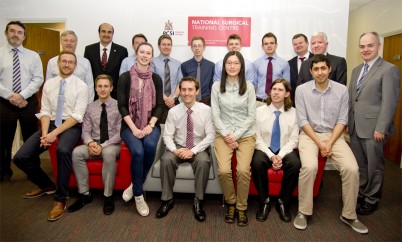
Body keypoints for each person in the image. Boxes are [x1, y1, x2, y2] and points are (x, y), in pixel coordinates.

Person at [294, 54, 368, 234]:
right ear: (311, 71)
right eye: (316, 69)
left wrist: (330, 142)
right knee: (310, 167)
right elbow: (302, 120)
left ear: (329, 70)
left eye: (323, 68)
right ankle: (303, 211)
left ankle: (349, 215)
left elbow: (343, 120)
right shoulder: (301, 90)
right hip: (309, 135)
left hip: (335, 135)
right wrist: (320, 144)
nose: (320, 73)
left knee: (352, 169)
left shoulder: (341, 90)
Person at [13, 51, 88, 221]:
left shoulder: (81, 86)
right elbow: (45, 111)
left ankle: (60, 198)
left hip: (71, 125)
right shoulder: (49, 84)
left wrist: (54, 134)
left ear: (75, 66)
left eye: (70, 62)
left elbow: (77, 116)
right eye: (64, 61)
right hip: (51, 124)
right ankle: (46, 185)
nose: (67, 64)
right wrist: (46, 133)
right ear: (58, 63)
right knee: (21, 157)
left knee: (62, 150)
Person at [348, 32, 400, 215]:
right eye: (362, 46)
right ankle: (361, 193)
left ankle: (372, 199)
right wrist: (348, 122)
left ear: (378, 46)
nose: (365, 49)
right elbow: (352, 99)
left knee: (374, 166)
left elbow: (390, 101)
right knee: (360, 164)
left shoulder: (388, 69)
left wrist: (381, 127)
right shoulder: (356, 70)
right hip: (355, 127)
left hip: (374, 129)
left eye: (370, 45)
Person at [156, 76, 215, 221]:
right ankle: (167, 200)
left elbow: (210, 136)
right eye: (183, 90)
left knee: (203, 162)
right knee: (166, 160)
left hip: (198, 147)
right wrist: (175, 150)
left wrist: (193, 151)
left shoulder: (206, 110)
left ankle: (198, 202)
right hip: (178, 146)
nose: (187, 93)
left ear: (197, 91)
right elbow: (168, 136)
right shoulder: (173, 111)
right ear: (180, 92)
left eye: (190, 90)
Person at [117, 42, 164, 217]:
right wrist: (135, 129)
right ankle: (138, 195)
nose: (145, 55)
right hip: (129, 124)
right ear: (136, 54)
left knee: (150, 147)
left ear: (152, 56)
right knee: (137, 152)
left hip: (151, 123)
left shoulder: (156, 79)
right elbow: (121, 105)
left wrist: (150, 125)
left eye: (148, 53)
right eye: (142, 52)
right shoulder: (125, 77)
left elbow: (159, 106)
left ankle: (133, 185)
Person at [211, 51, 256, 226]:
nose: (232, 66)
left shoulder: (249, 86)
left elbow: (251, 116)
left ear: (241, 66)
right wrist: (228, 137)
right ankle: (231, 203)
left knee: (243, 170)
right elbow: (215, 115)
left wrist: (235, 136)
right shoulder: (216, 86)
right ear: (224, 66)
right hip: (223, 134)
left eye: (236, 63)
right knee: (223, 171)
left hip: (245, 135)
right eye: (229, 63)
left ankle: (242, 207)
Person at [67, 74, 122, 215]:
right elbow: (85, 130)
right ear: (96, 88)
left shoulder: (119, 106)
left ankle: (108, 197)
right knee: (76, 152)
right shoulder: (90, 108)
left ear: (111, 88)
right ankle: (84, 194)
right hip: (94, 143)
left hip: (112, 145)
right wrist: (90, 142)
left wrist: (102, 146)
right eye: (99, 86)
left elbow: (120, 133)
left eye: (106, 86)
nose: (102, 89)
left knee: (109, 154)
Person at [251, 78, 300, 223]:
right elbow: (257, 138)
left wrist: (280, 155)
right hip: (265, 148)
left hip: (285, 148)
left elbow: (294, 140)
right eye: (274, 89)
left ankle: (283, 202)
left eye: (280, 90)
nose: (276, 93)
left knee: (295, 164)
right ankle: (264, 201)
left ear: (287, 94)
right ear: (270, 92)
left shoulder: (294, 113)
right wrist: (272, 156)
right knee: (257, 163)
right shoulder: (259, 111)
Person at [0, 21, 43, 181]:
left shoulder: (33, 56)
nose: (15, 35)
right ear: (6, 33)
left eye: (19, 32)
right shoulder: (0, 54)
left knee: (31, 137)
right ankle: (4, 170)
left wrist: (22, 95)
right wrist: (11, 96)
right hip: (5, 103)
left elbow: (38, 79)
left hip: (28, 102)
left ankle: (33, 170)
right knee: (4, 138)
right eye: (12, 31)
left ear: (24, 37)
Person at [46, 30, 94, 102]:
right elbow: (48, 86)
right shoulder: (52, 62)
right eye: (65, 40)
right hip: (57, 103)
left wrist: (88, 106)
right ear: (61, 42)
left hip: (79, 102)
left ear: (76, 43)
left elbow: (90, 86)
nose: (68, 43)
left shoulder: (85, 62)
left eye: (72, 41)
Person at [84, 23, 128, 99]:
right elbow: (87, 74)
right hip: (94, 96)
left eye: (109, 32)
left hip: (114, 96)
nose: (106, 34)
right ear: (99, 33)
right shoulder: (89, 50)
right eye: (103, 31)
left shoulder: (122, 51)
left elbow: (123, 76)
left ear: (112, 34)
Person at [151, 34, 183, 123]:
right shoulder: (152, 62)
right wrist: (166, 98)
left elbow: (180, 83)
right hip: (159, 102)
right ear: (158, 46)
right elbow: (152, 83)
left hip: (174, 102)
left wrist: (174, 98)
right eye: (163, 44)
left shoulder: (177, 63)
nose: (166, 47)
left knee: (176, 129)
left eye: (169, 44)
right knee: (160, 129)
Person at [253, 32, 290, 106]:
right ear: (262, 46)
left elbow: (287, 86)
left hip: (278, 103)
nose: (269, 46)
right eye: (266, 44)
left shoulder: (284, 64)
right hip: (260, 102)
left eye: (272, 43)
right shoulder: (256, 63)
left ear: (276, 45)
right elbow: (254, 85)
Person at [181, 36, 214, 106]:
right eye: (194, 46)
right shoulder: (184, 65)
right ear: (191, 48)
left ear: (204, 48)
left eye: (199, 46)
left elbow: (212, 85)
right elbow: (183, 86)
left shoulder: (211, 66)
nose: (197, 48)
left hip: (207, 102)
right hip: (190, 102)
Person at [288, 33, 313, 104]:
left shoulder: (316, 60)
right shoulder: (289, 63)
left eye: (300, 43)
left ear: (307, 43)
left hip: (313, 101)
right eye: (295, 44)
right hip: (294, 103)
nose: (298, 45)